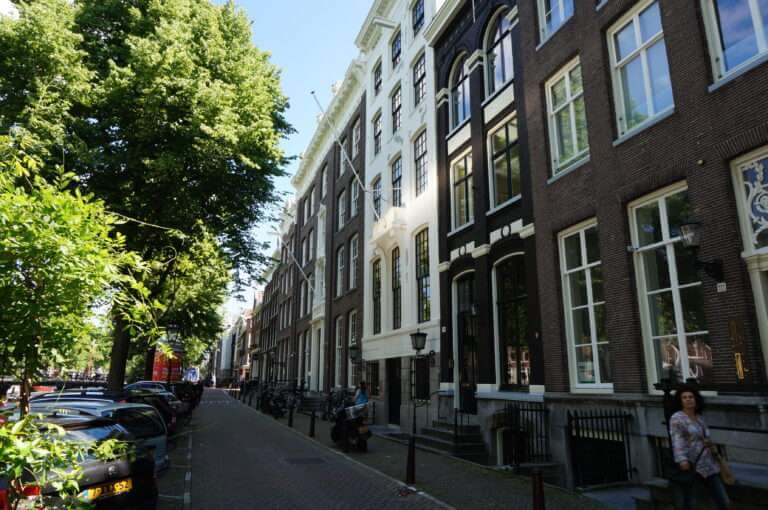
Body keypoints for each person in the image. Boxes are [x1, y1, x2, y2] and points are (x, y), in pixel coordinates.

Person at [669, 384, 730, 510]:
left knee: (724, 501)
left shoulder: (700, 417)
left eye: (691, 397)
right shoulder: (677, 418)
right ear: (680, 401)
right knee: (691, 502)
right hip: (692, 465)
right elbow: (677, 440)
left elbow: (706, 438)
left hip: (709, 464)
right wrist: (682, 460)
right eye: (684, 397)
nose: (688, 399)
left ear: (696, 399)